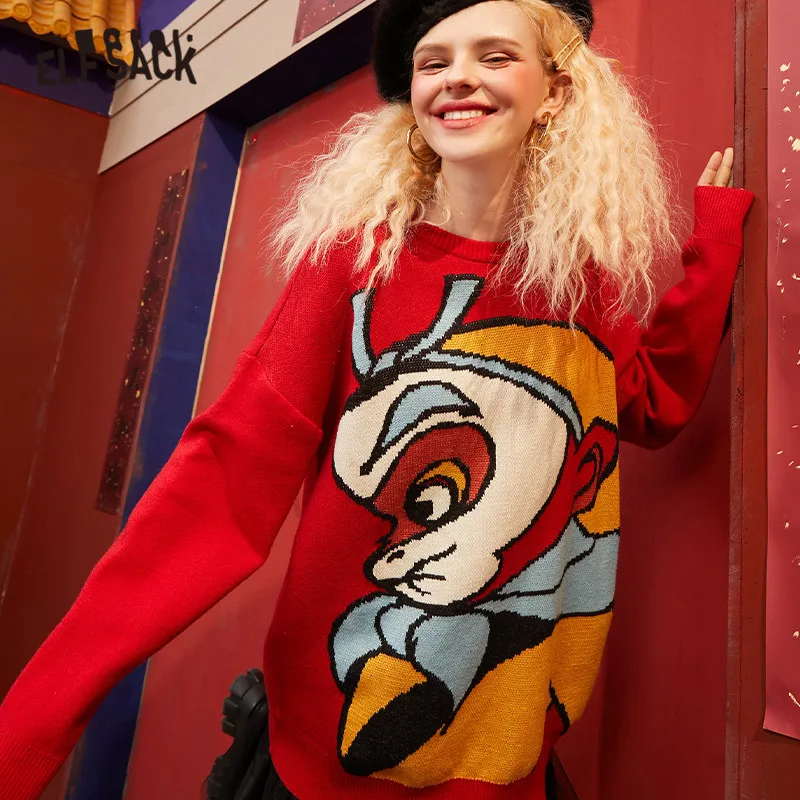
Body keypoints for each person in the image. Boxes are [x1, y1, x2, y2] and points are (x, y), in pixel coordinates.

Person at [0, 0, 755, 798]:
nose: (457, 77)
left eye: (495, 56)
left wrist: (712, 251)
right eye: (433, 62)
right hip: (326, 762)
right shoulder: (356, 261)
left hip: (504, 759)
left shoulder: (579, 283)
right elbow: (220, 487)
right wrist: (28, 731)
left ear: (556, 93)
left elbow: (652, 402)